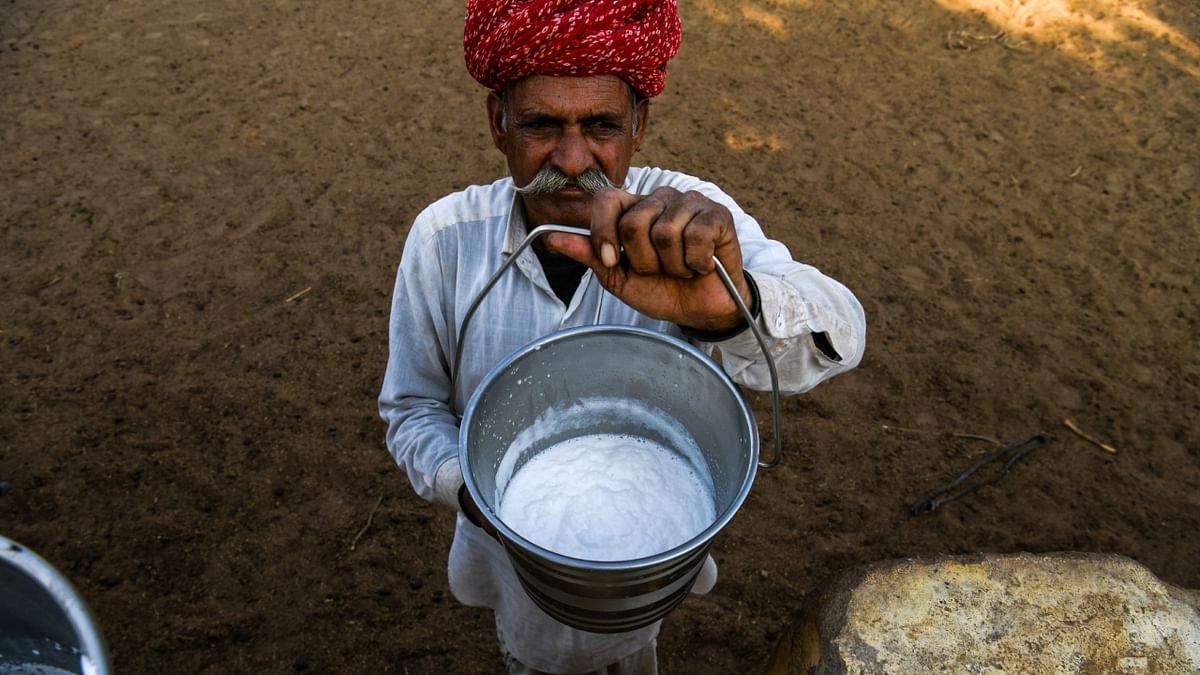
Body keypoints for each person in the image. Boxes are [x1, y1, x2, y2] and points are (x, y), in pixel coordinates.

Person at [378, 1, 866, 672]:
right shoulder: (444, 243)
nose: (574, 159)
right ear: (498, 122)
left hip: (647, 581)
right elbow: (411, 411)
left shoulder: (686, 225)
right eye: (543, 124)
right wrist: (472, 491)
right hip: (513, 569)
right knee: (531, 654)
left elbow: (839, 329)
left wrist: (729, 306)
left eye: (602, 125)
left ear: (640, 123)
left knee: (635, 648)